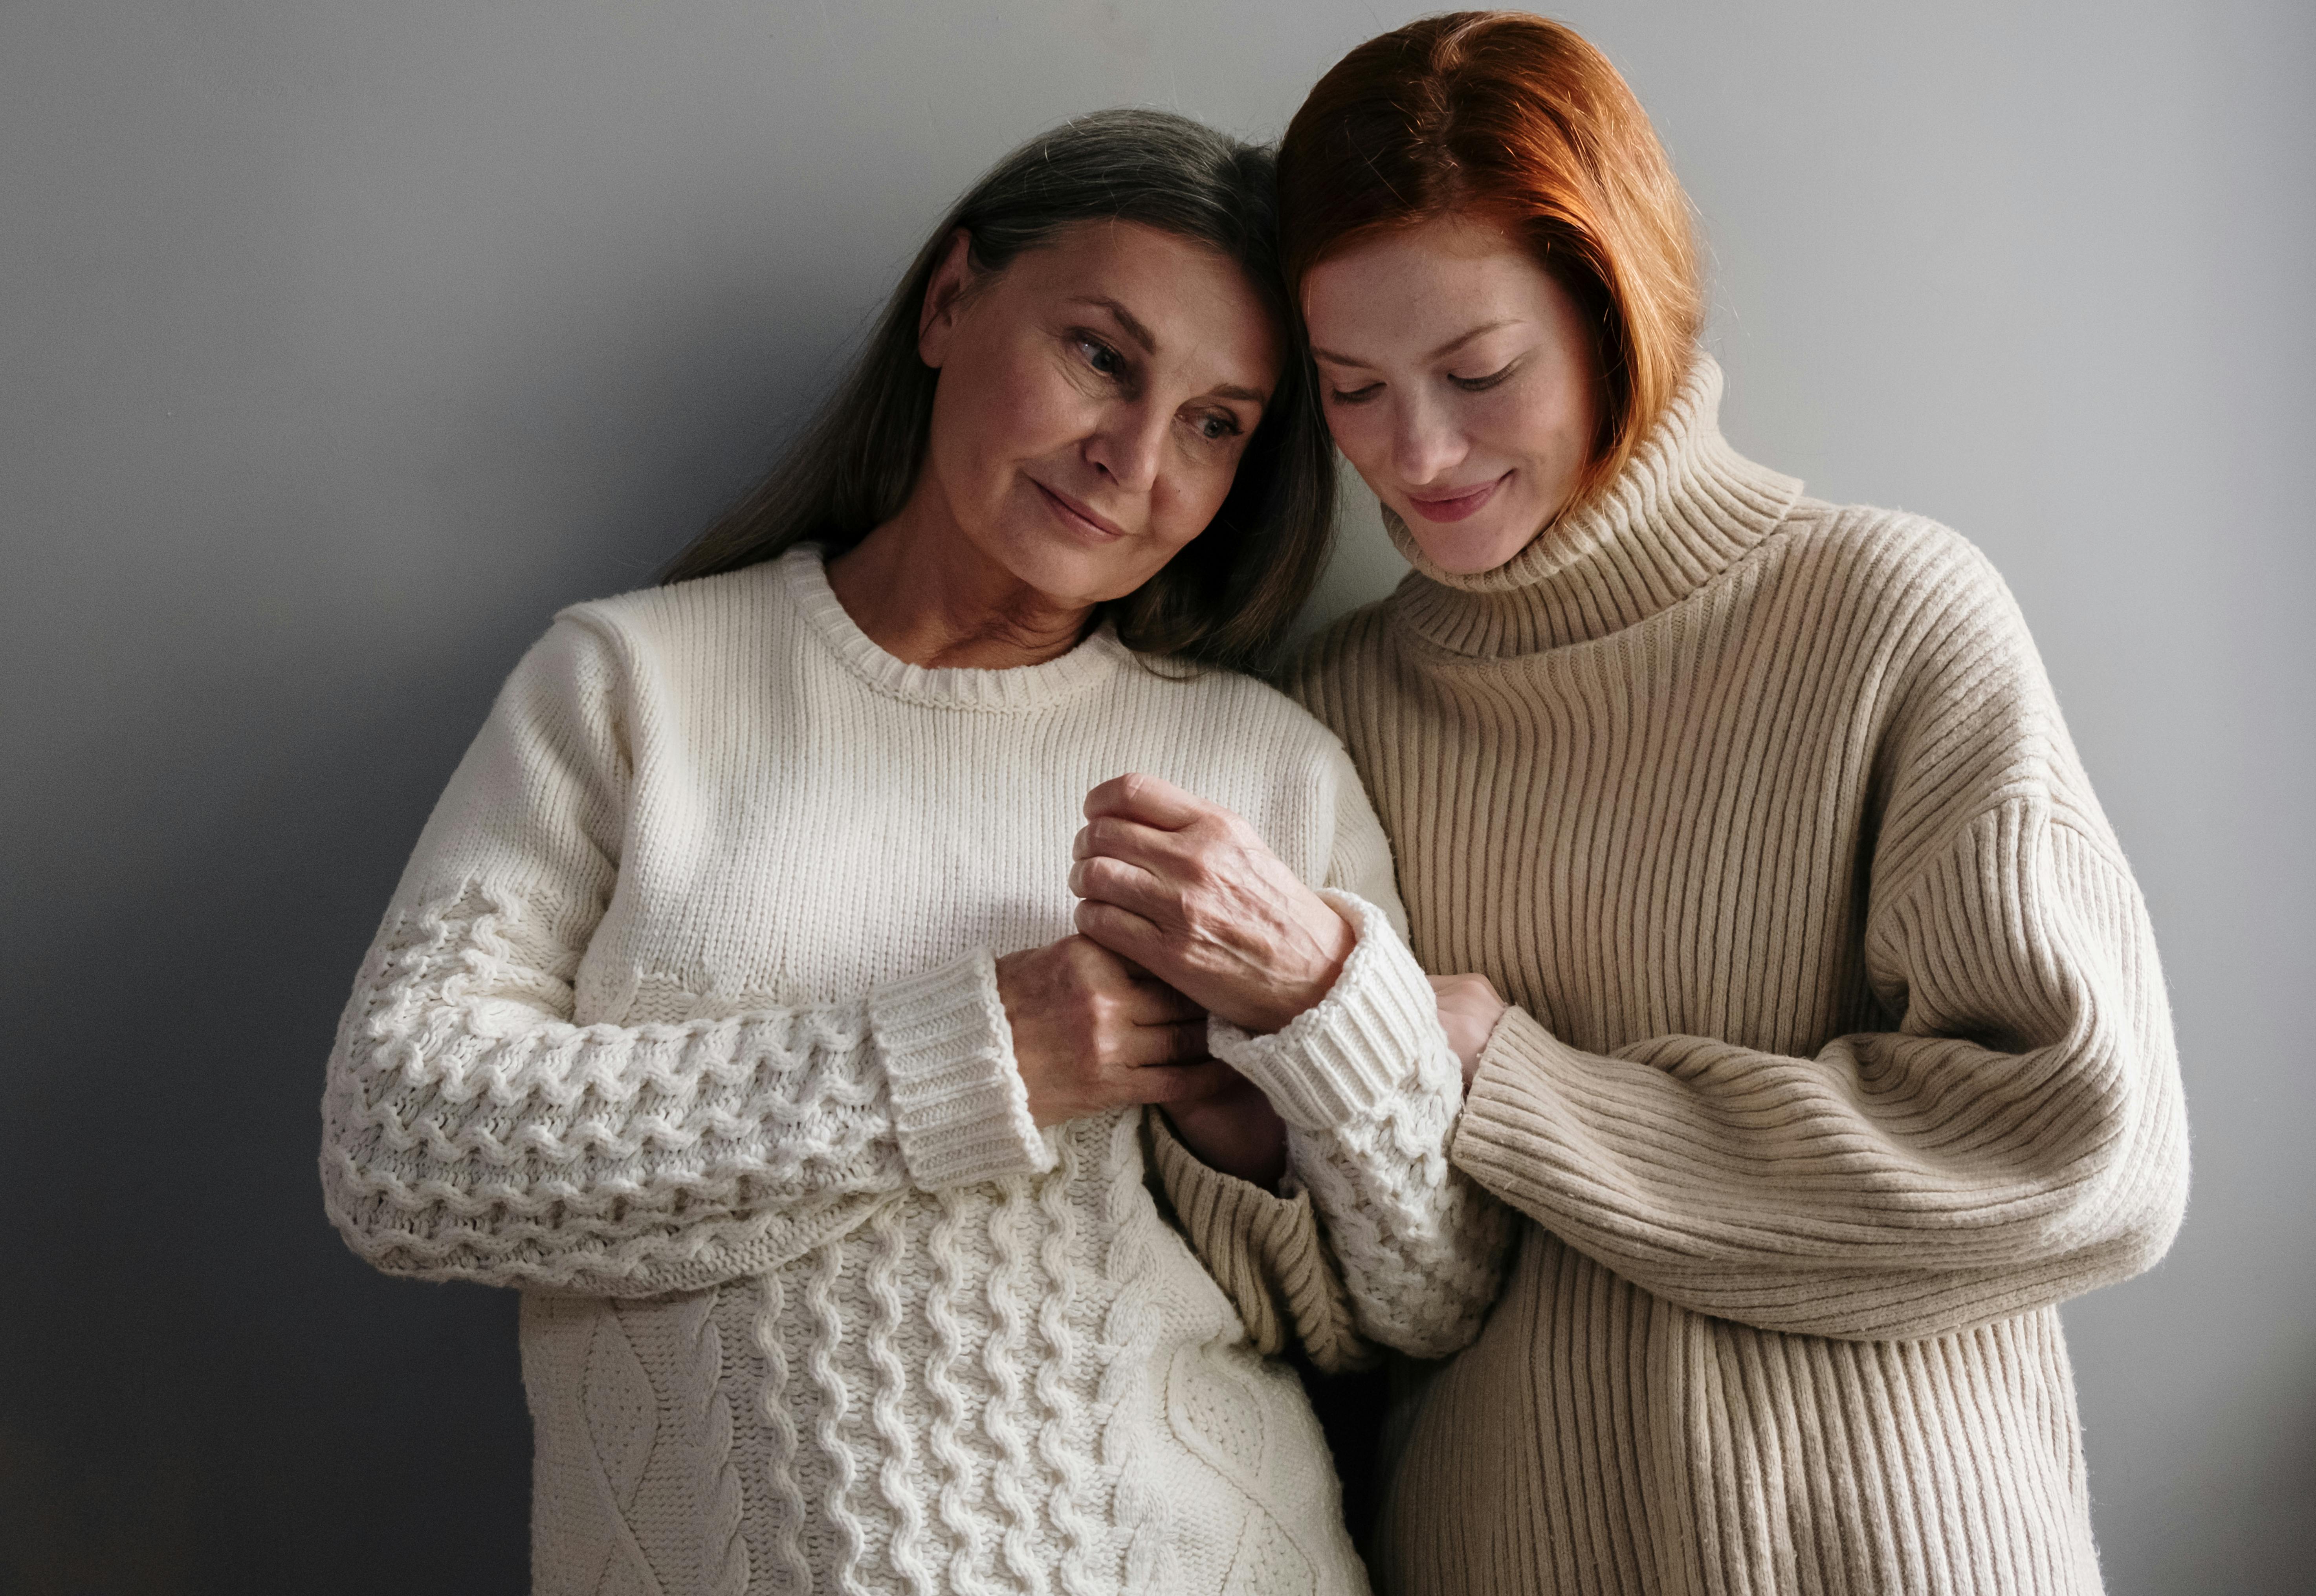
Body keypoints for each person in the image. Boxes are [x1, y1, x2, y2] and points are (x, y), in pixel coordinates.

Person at [1072, 15, 2192, 1594]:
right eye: (1354, 388)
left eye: (1478, 371)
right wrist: (1250, 1116)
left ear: (1617, 316)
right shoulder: (1328, 712)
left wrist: (1513, 1083)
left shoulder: (1883, 614)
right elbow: (1326, 1317)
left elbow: (2083, 1154)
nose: (1421, 452)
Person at [317, 108, 1478, 1595]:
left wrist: (1318, 1010)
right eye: (1102, 357)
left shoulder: (1264, 767)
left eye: (1215, 423)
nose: (1130, 459)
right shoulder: (630, 686)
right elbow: (399, 1153)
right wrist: (980, 1057)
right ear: (949, 304)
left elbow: (1431, 1292)